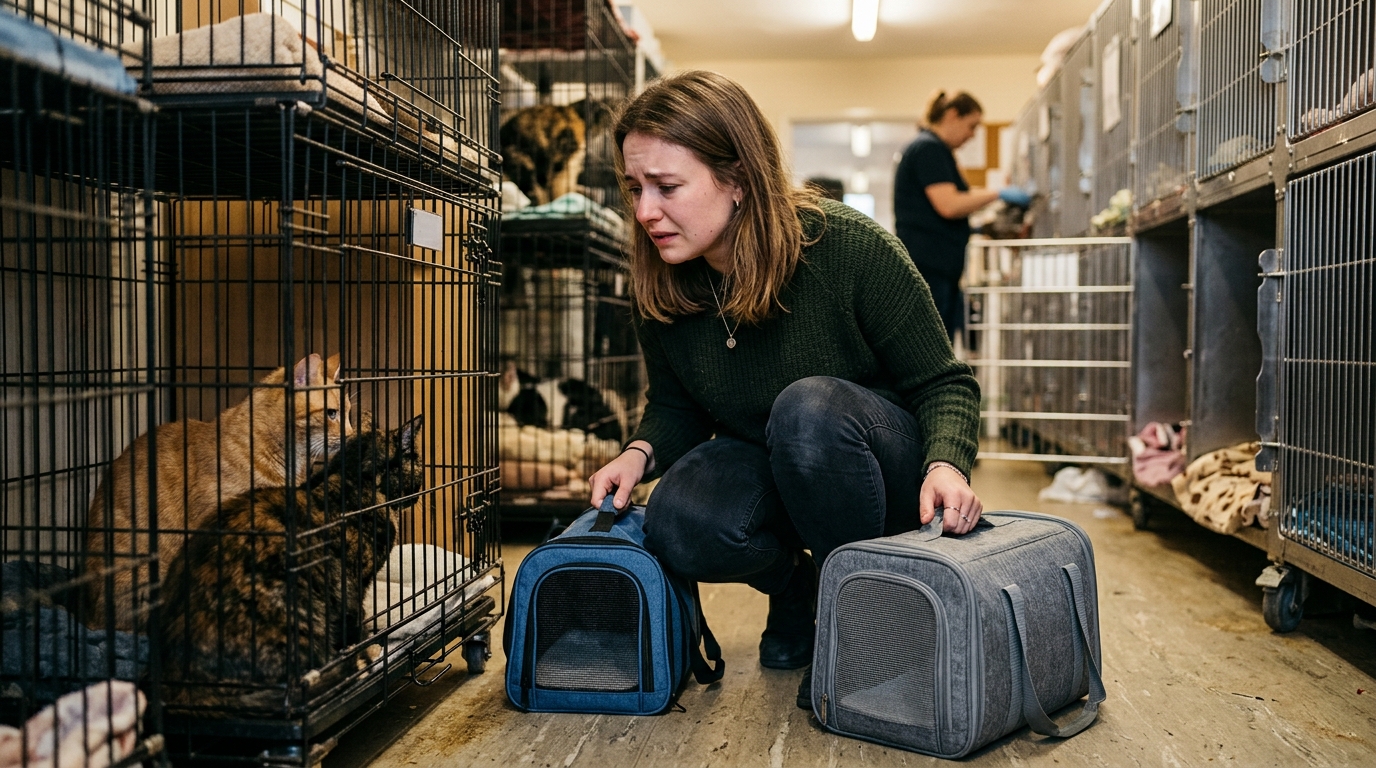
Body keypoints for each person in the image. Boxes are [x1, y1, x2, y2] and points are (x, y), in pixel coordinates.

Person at [587, 71, 984, 709]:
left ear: (738, 179)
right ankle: (795, 585)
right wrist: (636, 454)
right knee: (680, 521)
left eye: (667, 187)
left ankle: (861, 615)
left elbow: (945, 381)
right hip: (774, 455)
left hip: (878, 465)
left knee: (808, 410)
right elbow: (675, 404)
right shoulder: (666, 277)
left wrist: (947, 464)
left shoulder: (847, 247)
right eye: (635, 188)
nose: (643, 212)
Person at [893, 90, 1030, 340]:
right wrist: (997, 193)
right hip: (930, 266)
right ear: (953, 115)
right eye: (971, 126)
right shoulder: (928, 148)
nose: (972, 135)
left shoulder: (935, 149)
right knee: (931, 342)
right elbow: (949, 205)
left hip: (938, 265)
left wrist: (980, 227)